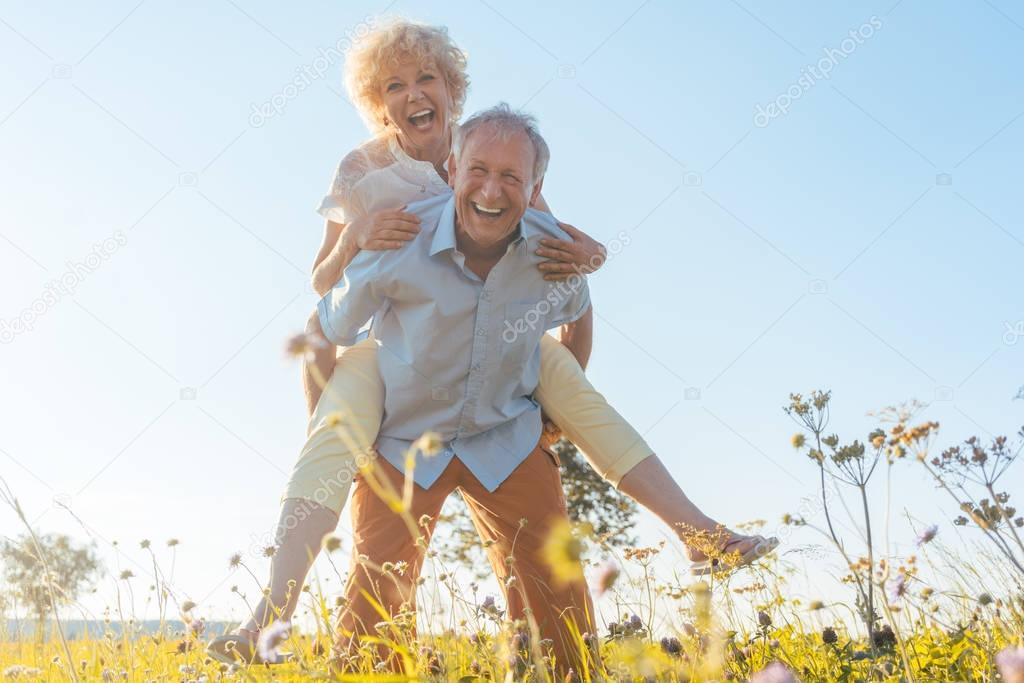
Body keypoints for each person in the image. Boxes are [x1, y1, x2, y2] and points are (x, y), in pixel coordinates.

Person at [207, 20, 776, 667]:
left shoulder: (491, 154)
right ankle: (271, 612)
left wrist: (589, 263)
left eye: (427, 78)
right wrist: (356, 234)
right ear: (377, 102)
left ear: (453, 91)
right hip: (399, 373)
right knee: (348, 489)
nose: (413, 92)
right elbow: (322, 295)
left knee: (569, 394)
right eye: (394, 84)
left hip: (499, 392)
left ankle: (694, 529)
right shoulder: (367, 172)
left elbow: (552, 234)